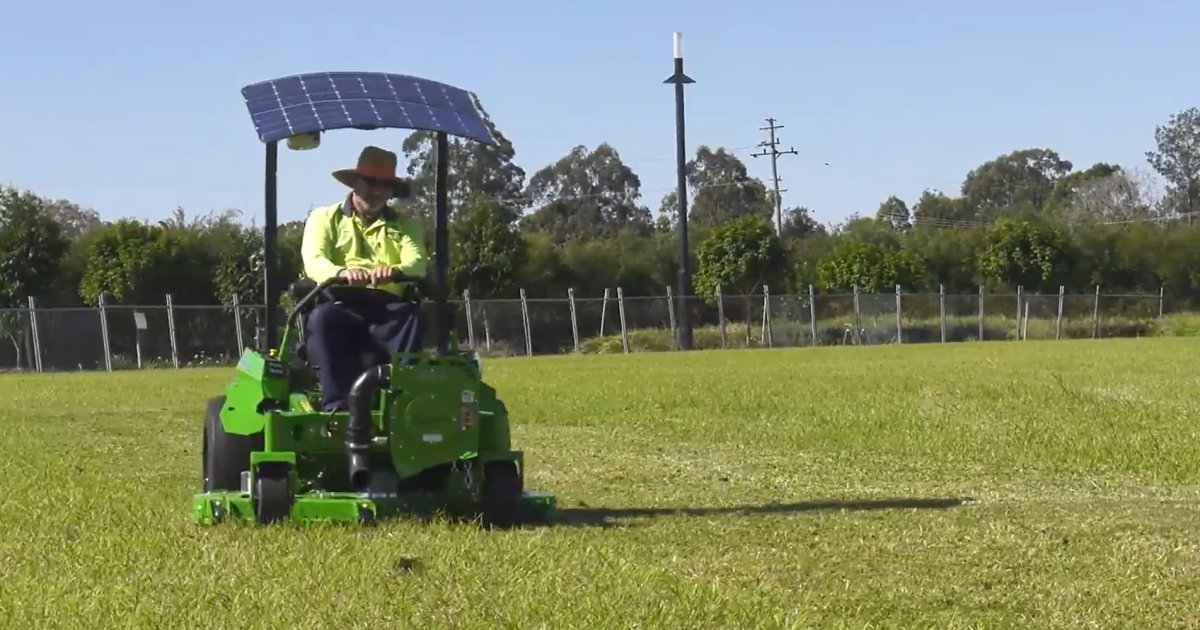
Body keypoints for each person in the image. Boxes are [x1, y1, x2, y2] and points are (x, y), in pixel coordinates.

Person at [300, 145, 428, 411]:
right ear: (355, 182)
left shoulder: (406, 226)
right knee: (323, 319)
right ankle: (337, 408)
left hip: (389, 308)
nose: (378, 191)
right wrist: (341, 273)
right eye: (371, 182)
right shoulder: (323, 219)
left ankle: (404, 405)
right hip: (340, 304)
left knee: (412, 315)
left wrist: (394, 271)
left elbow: (417, 262)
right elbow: (314, 260)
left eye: (386, 185)